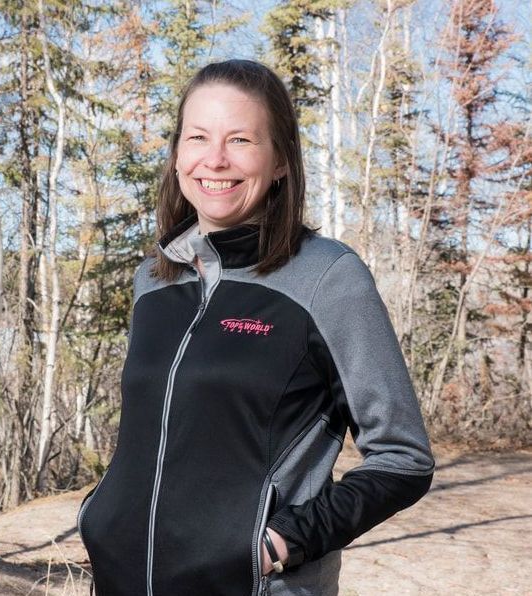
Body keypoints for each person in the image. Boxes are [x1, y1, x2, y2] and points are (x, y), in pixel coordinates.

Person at [77, 58, 434, 596]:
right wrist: (101, 516)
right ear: (178, 154)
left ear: (281, 161)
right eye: (198, 137)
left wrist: (280, 543)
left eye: (241, 139)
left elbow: (403, 459)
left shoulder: (327, 278)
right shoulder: (153, 281)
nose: (214, 159)